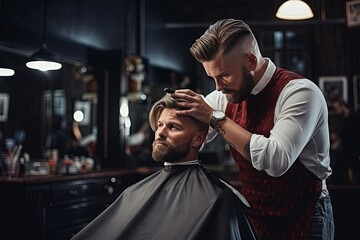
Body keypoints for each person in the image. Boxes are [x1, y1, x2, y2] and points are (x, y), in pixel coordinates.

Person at [170, 19, 334, 240]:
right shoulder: (224, 95)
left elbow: (276, 160)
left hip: (305, 215)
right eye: (212, 78)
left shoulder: (300, 93)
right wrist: (167, 123)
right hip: (254, 216)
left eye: (224, 75)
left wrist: (214, 118)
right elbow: (192, 132)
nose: (218, 87)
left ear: (250, 60)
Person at [71, 94, 259, 240]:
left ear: (198, 138)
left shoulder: (217, 198)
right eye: (160, 125)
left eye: (173, 127)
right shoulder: (133, 192)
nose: (160, 132)